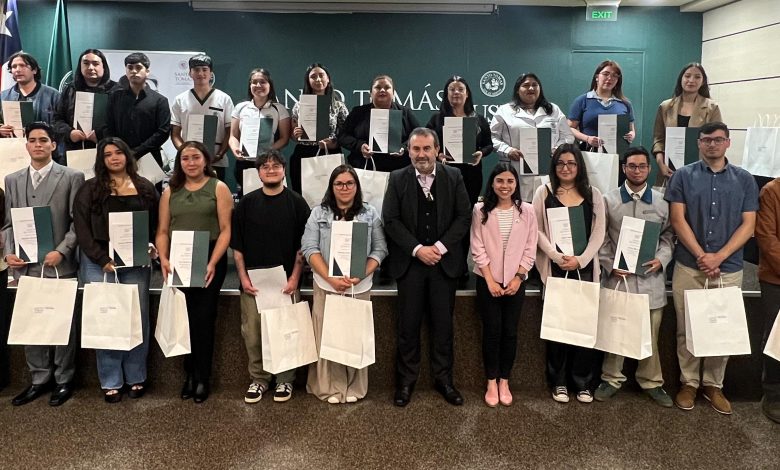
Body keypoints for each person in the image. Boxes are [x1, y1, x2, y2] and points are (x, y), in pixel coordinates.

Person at [665, 121, 758, 415]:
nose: (712, 145)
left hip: (728, 267)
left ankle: (713, 385)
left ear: (728, 142)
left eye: (718, 140)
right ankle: (689, 383)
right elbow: (677, 220)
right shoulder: (683, 176)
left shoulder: (745, 179)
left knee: (722, 327)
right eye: (706, 140)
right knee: (687, 327)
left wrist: (719, 256)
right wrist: (702, 255)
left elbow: (749, 225)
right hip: (689, 265)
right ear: (699, 143)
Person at [382, 127, 471, 407]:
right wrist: (418, 249)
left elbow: (464, 217)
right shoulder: (397, 178)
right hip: (410, 265)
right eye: (416, 149)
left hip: (444, 265)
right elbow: (390, 219)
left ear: (437, 150)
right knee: (408, 327)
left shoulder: (454, 176)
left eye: (426, 149)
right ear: (409, 151)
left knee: (443, 326)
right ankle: (405, 382)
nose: (421, 154)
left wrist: (440, 248)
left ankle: (444, 380)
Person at [2, 121, 85, 406]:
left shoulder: (72, 177)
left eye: (43, 140)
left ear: (53, 145)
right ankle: (39, 378)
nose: (37, 145)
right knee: (32, 322)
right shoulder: (12, 180)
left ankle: (64, 379)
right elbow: (8, 224)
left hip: (59, 264)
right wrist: (8, 253)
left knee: (63, 324)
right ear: (26, 145)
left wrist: (62, 251)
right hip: (26, 267)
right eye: (32, 140)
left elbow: (77, 222)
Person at [73, 137, 158, 403]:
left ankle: (136, 376)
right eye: (108, 154)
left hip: (135, 263)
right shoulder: (89, 189)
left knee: (137, 319)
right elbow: (82, 230)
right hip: (99, 263)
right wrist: (101, 259)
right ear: (102, 160)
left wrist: (151, 245)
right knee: (106, 319)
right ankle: (111, 380)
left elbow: (156, 224)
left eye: (119, 152)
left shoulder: (145, 187)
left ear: (127, 155)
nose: (114, 158)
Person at [593, 146, 674, 408]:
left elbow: (668, 236)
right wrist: (610, 264)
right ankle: (611, 378)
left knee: (650, 334)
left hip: (650, 280)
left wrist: (661, 259)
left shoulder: (662, 201)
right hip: (619, 279)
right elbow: (601, 237)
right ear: (623, 168)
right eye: (631, 166)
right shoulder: (608, 200)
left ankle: (651, 381)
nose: (637, 171)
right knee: (615, 330)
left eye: (641, 166)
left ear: (649, 169)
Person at [301, 165, 387, 404]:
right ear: (331, 187)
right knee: (328, 336)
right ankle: (330, 387)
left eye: (350, 183)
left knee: (354, 336)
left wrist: (361, 274)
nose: (344, 188)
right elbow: (309, 248)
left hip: (359, 286)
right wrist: (330, 278)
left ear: (357, 186)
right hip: (326, 285)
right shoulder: (318, 213)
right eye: (339, 183)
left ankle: (354, 387)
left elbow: (380, 249)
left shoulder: (370, 214)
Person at [231, 149, 310, 404]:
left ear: (284, 170)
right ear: (258, 173)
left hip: (286, 282)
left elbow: (303, 248)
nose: (271, 170)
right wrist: (243, 278)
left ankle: (285, 379)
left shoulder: (297, 203)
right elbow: (238, 247)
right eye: (265, 167)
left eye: (276, 166)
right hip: (253, 284)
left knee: (286, 331)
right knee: (253, 334)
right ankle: (259, 379)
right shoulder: (246, 204)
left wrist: (295, 277)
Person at [156, 141, 232, 403]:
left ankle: (202, 377)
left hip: (209, 257)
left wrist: (212, 262)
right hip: (179, 258)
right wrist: (164, 259)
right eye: (185, 158)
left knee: (203, 318)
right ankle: (188, 374)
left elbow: (226, 230)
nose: (191, 163)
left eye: (196, 157)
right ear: (180, 162)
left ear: (205, 160)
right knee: (184, 318)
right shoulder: (170, 191)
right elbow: (162, 231)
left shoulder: (218, 187)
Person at [532, 143, 606, 404]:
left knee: (583, 327)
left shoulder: (593, 193)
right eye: (561, 163)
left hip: (584, 269)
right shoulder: (544, 192)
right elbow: (536, 229)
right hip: (555, 268)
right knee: (558, 328)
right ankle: (559, 381)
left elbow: (599, 231)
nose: (566, 168)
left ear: (579, 166)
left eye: (571, 163)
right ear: (554, 166)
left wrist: (581, 260)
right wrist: (556, 256)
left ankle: (582, 382)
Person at [470, 163, 537, 407]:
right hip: (488, 280)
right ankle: (491, 381)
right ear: (492, 183)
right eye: (500, 180)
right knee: (492, 331)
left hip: (515, 282)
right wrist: (489, 280)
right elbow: (477, 246)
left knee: (510, 332)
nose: (505, 186)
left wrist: (519, 278)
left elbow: (530, 247)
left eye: (510, 181)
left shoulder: (527, 210)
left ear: (516, 184)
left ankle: (504, 381)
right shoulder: (480, 209)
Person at [490, 73, 574, 201]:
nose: (531, 88)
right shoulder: (505, 110)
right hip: (515, 169)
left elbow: (567, 136)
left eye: (535, 85)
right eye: (526, 85)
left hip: (547, 170)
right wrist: (507, 150)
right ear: (517, 90)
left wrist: (557, 149)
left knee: (547, 205)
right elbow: (492, 137)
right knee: (519, 206)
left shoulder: (553, 110)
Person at [426, 76, 492, 206]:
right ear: (446, 94)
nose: (456, 92)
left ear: (467, 94)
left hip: (472, 174)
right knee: (444, 209)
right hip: (443, 172)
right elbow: (427, 144)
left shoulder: (478, 120)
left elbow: (489, 145)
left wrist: (481, 153)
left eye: (461, 89)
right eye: (452, 89)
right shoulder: (436, 119)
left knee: (468, 209)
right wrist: (437, 154)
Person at [652, 63, 722, 184]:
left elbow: (717, 140)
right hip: (669, 171)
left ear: (703, 81)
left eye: (697, 77)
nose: (691, 80)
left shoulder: (712, 108)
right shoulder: (665, 107)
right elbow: (658, 139)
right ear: (681, 79)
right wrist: (661, 163)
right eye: (687, 76)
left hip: (701, 171)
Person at [170, 54, 234, 181]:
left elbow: (230, 132)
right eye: (196, 70)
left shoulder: (224, 99)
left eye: (205, 70)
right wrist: (185, 153)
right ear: (190, 73)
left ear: (211, 74)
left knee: (216, 192)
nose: (200, 73)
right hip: (189, 163)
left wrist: (220, 154)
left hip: (216, 161)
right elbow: (175, 134)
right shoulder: (180, 100)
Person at [338, 75, 420, 173]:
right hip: (364, 168)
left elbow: (418, 136)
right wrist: (360, 146)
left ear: (393, 93)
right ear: (371, 93)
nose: (382, 90)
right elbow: (343, 136)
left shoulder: (405, 112)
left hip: (399, 170)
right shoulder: (358, 112)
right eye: (377, 87)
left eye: (387, 87)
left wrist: (404, 147)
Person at [228, 68, 291, 196]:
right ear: (250, 85)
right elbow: (233, 136)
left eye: (262, 82)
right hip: (245, 163)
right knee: (247, 199)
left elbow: (284, 139)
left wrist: (268, 151)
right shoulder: (241, 108)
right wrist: (235, 149)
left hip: (269, 163)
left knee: (273, 198)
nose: (258, 85)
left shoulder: (279, 109)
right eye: (254, 82)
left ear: (269, 85)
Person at [289, 63, 349, 194]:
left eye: (321, 75)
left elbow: (347, 133)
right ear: (308, 81)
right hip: (303, 153)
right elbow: (293, 135)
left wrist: (335, 143)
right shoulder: (299, 105)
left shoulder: (338, 106)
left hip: (329, 152)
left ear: (328, 79)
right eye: (313, 76)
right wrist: (296, 133)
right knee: (303, 194)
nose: (318, 79)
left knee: (331, 194)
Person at [105, 52, 171, 167]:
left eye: (138, 67)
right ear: (126, 71)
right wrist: (120, 150)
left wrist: (136, 152)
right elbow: (108, 126)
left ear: (147, 71)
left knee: (151, 181)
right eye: (130, 67)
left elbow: (163, 132)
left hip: (150, 158)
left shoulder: (160, 101)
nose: (134, 71)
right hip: (120, 157)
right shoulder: (114, 97)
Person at [52, 49, 117, 159]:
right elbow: (57, 120)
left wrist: (101, 135)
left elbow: (122, 124)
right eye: (86, 63)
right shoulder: (69, 90)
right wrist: (69, 133)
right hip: (74, 151)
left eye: (95, 64)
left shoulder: (116, 90)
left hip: (108, 151)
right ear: (80, 66)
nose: (90, 67)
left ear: (104, 67)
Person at [567, 60, 636, 153]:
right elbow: (570, 128)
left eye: (614, 76)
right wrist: (587, 138)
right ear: (597, 77)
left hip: (618, 155)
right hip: (589, 154)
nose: (609, 78)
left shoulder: (625, 104)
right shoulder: (583, 100)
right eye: (606, 74)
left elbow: (632, 130)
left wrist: (631, 135)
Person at [755, 175, 780, 424]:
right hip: (776, 279)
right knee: (776, 338)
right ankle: (773, 395)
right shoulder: (771, 191)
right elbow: (766, 238)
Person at [0, 52, 59, 137]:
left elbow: (61, 124)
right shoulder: (3, 96)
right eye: (14, 66)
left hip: (44, 143)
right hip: (12, 144)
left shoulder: (53, 95)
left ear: (34, 70)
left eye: (22, 65)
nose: (17, 70)